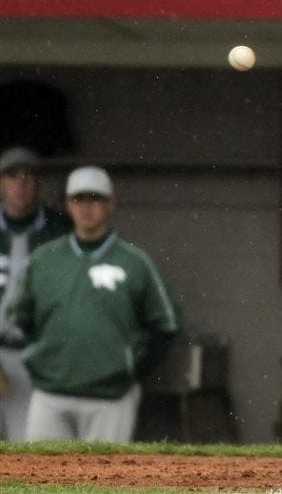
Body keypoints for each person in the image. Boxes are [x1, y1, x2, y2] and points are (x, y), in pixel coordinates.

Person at [11, 165, 182, 442]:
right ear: (68, 204)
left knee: (103, 482)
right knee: (41, 482)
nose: (87, 207)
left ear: (110, 203)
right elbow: (19, 318)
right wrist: (41, 357)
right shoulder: (43, 260)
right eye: (79, 199)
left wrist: (131, 366)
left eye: (95, 198)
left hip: (110, 397)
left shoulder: (135, 261)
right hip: (50, 394)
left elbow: (167, 324)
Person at [0, 146, 71, 441]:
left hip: (36, 353)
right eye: (12, 176)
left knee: (30, 446)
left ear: (39, 183)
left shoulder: (61, 230)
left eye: (29, 176)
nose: (21, 184)